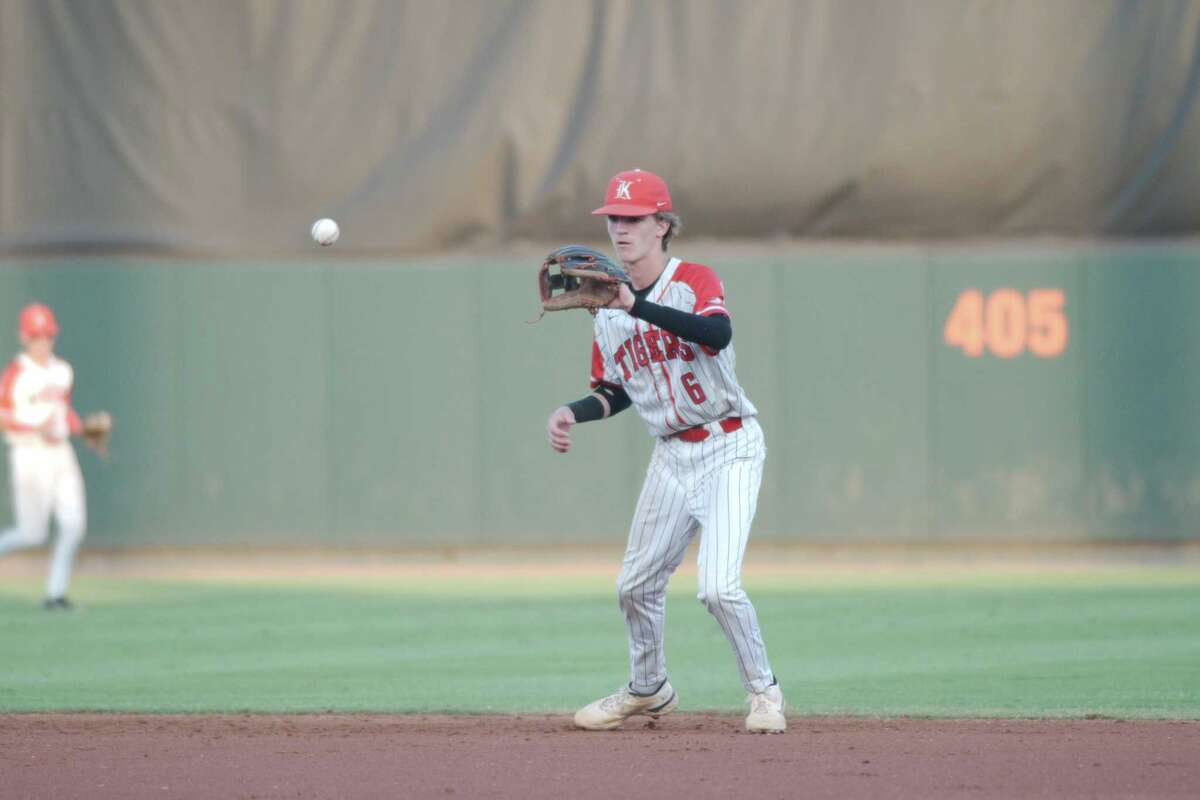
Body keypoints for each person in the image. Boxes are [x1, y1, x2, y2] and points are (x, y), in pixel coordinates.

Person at [546, 169, 786, 733]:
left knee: (718, 586)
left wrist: (636, 306)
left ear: (662, 225)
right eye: (614, 220)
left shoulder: (692, 279)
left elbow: (715, 336)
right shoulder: (604, 308)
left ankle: (765, 695)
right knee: (633, 586)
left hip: (729, 444)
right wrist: (571, 413)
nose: (621, 230)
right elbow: (616, 392)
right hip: (671, 457)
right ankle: (648, 689)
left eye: (633, 219)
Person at [0, 304, 91, 609]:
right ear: (25, 337)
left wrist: (84, 428)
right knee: (31, 533)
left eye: (47, 335)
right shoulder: (16, 373)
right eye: (37, 336)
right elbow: (2, 415)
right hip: (28, 455)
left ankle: (55, 593)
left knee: (74, 524)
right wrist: (31, 426)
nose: (43, 342)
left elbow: (65, 412)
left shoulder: (62, 370)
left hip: (60, 454)